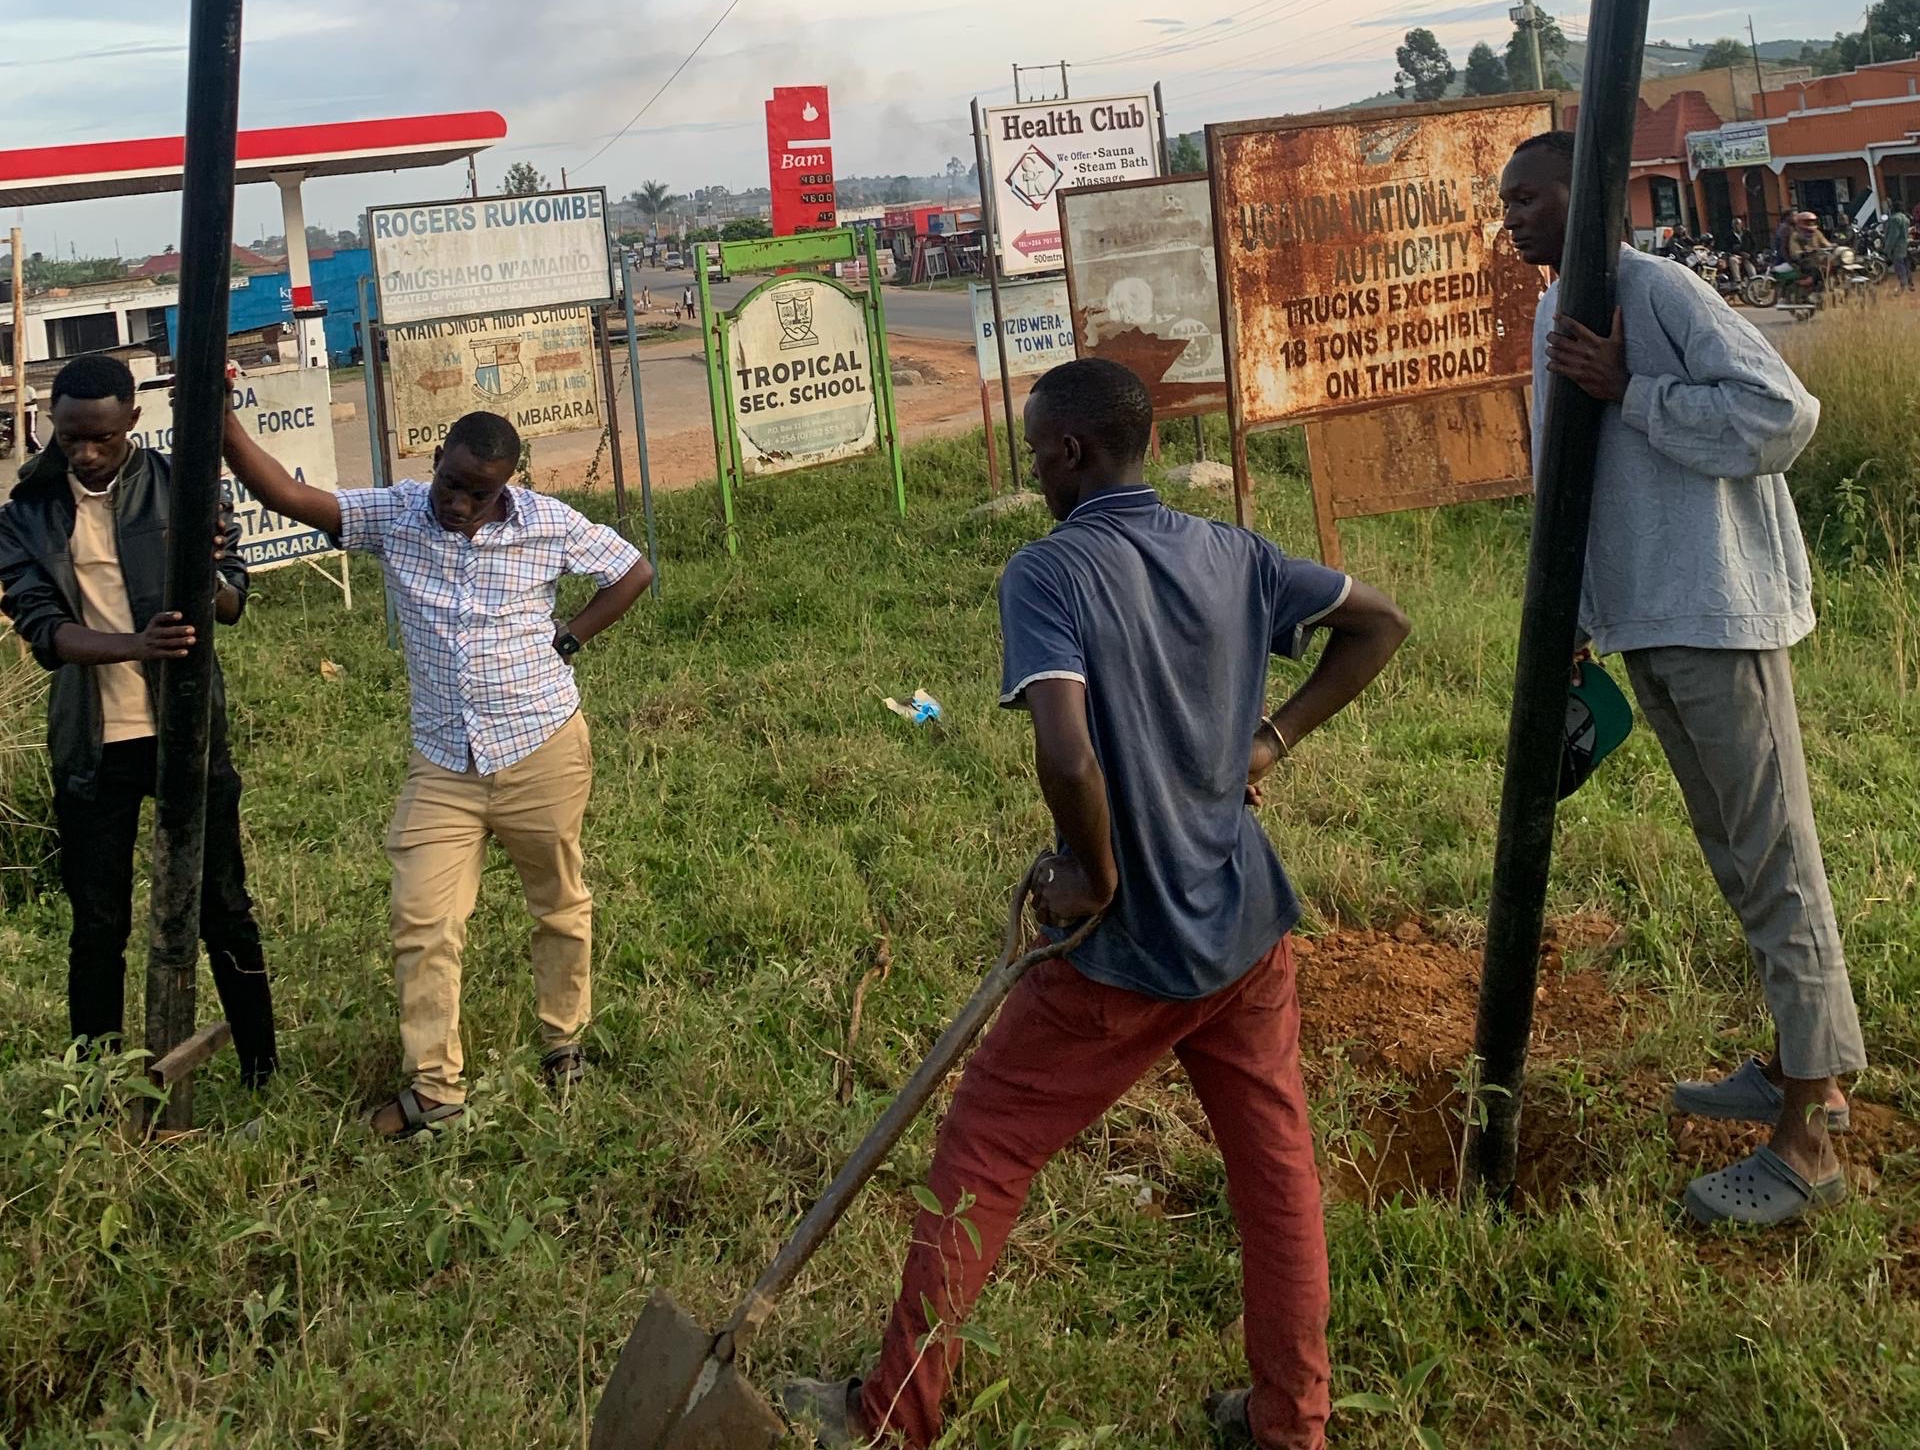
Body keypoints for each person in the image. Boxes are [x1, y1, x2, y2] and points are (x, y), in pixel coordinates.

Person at [780, 358, 1408, 1449]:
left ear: (1071, 452)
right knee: (1277, 1176)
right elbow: (1381, 622)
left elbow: (1067, 755)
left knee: (984, 1149)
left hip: (1122, 953)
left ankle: (889, 1417)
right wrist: (1271, 738)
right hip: (1243, 930)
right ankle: (1291, 1425)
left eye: (1037, 454)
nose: (1036, 473)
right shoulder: (1234, 552)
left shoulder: (1050, 573)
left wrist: (1096, 873)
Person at [1500, 130, 1862, 1227]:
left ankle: (1809, 1142)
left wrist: (1637, 390)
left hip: (1717, 613)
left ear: (1585, 195)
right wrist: (1575, 615)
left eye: (1529, 197)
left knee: (1777, 860)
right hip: (1646, 619)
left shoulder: (1656, 291)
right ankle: (1801, 1064)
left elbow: (1783, 413)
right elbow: (1571, 474)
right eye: (1505, 200)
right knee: (1739, 855)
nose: (1511, 216)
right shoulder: (1554, 310)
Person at [221, 403, 652, 1137]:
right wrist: (222, 422)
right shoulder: (396, 517)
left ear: (507, 485)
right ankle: (436, 1091)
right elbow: (289, 497)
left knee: (558, 901)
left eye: (478, 493)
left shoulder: (547, 523)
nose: (457, 503)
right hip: (445, 764)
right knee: (421, 919)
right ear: (436, 462)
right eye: (450, 483)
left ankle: (564, 1041)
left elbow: (632, 570)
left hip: (542, 747)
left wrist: (570, 638)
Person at [0, 354, 277, 1088]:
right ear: (50, 425)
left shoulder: (183, 487)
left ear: (133, 418)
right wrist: (134, 645)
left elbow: (232, 601)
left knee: (223, 906)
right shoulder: (25, 514)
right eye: (71, 438)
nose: (88, 453)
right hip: (93, 745)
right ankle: (97, 1086)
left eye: (103, 437)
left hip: (188, 732)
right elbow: (42, 631)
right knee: (98, 925)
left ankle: (262, 1069)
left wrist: (206, 573)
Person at [1884, 199, 1913, 291]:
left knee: (1899, 266)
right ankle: (1909, 283)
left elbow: (1893, 235)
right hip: (1905, 244)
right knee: (1906, 265)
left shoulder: (1895, 219)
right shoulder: (1905, 218)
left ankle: (1903, 285)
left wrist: (1887, 249)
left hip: (1897, 247)